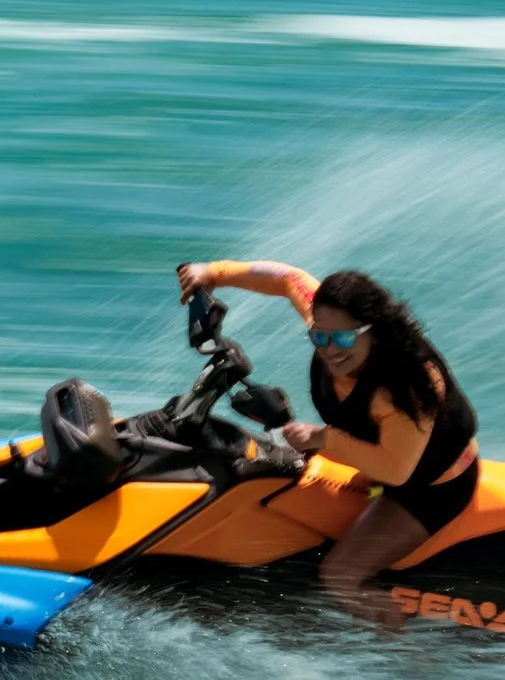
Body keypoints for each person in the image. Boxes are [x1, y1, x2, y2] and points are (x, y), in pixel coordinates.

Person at [177, 259, 480, 620]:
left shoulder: (409, 383)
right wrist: (213, 273)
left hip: (430, 488)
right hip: (370, 464)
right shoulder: (332, 326)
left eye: (344, 338)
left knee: (341, 575)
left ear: (374, 330)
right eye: (319, 336)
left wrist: (322, 438)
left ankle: (407, 656)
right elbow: (288, 279)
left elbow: (396, 471)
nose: (330, 348)